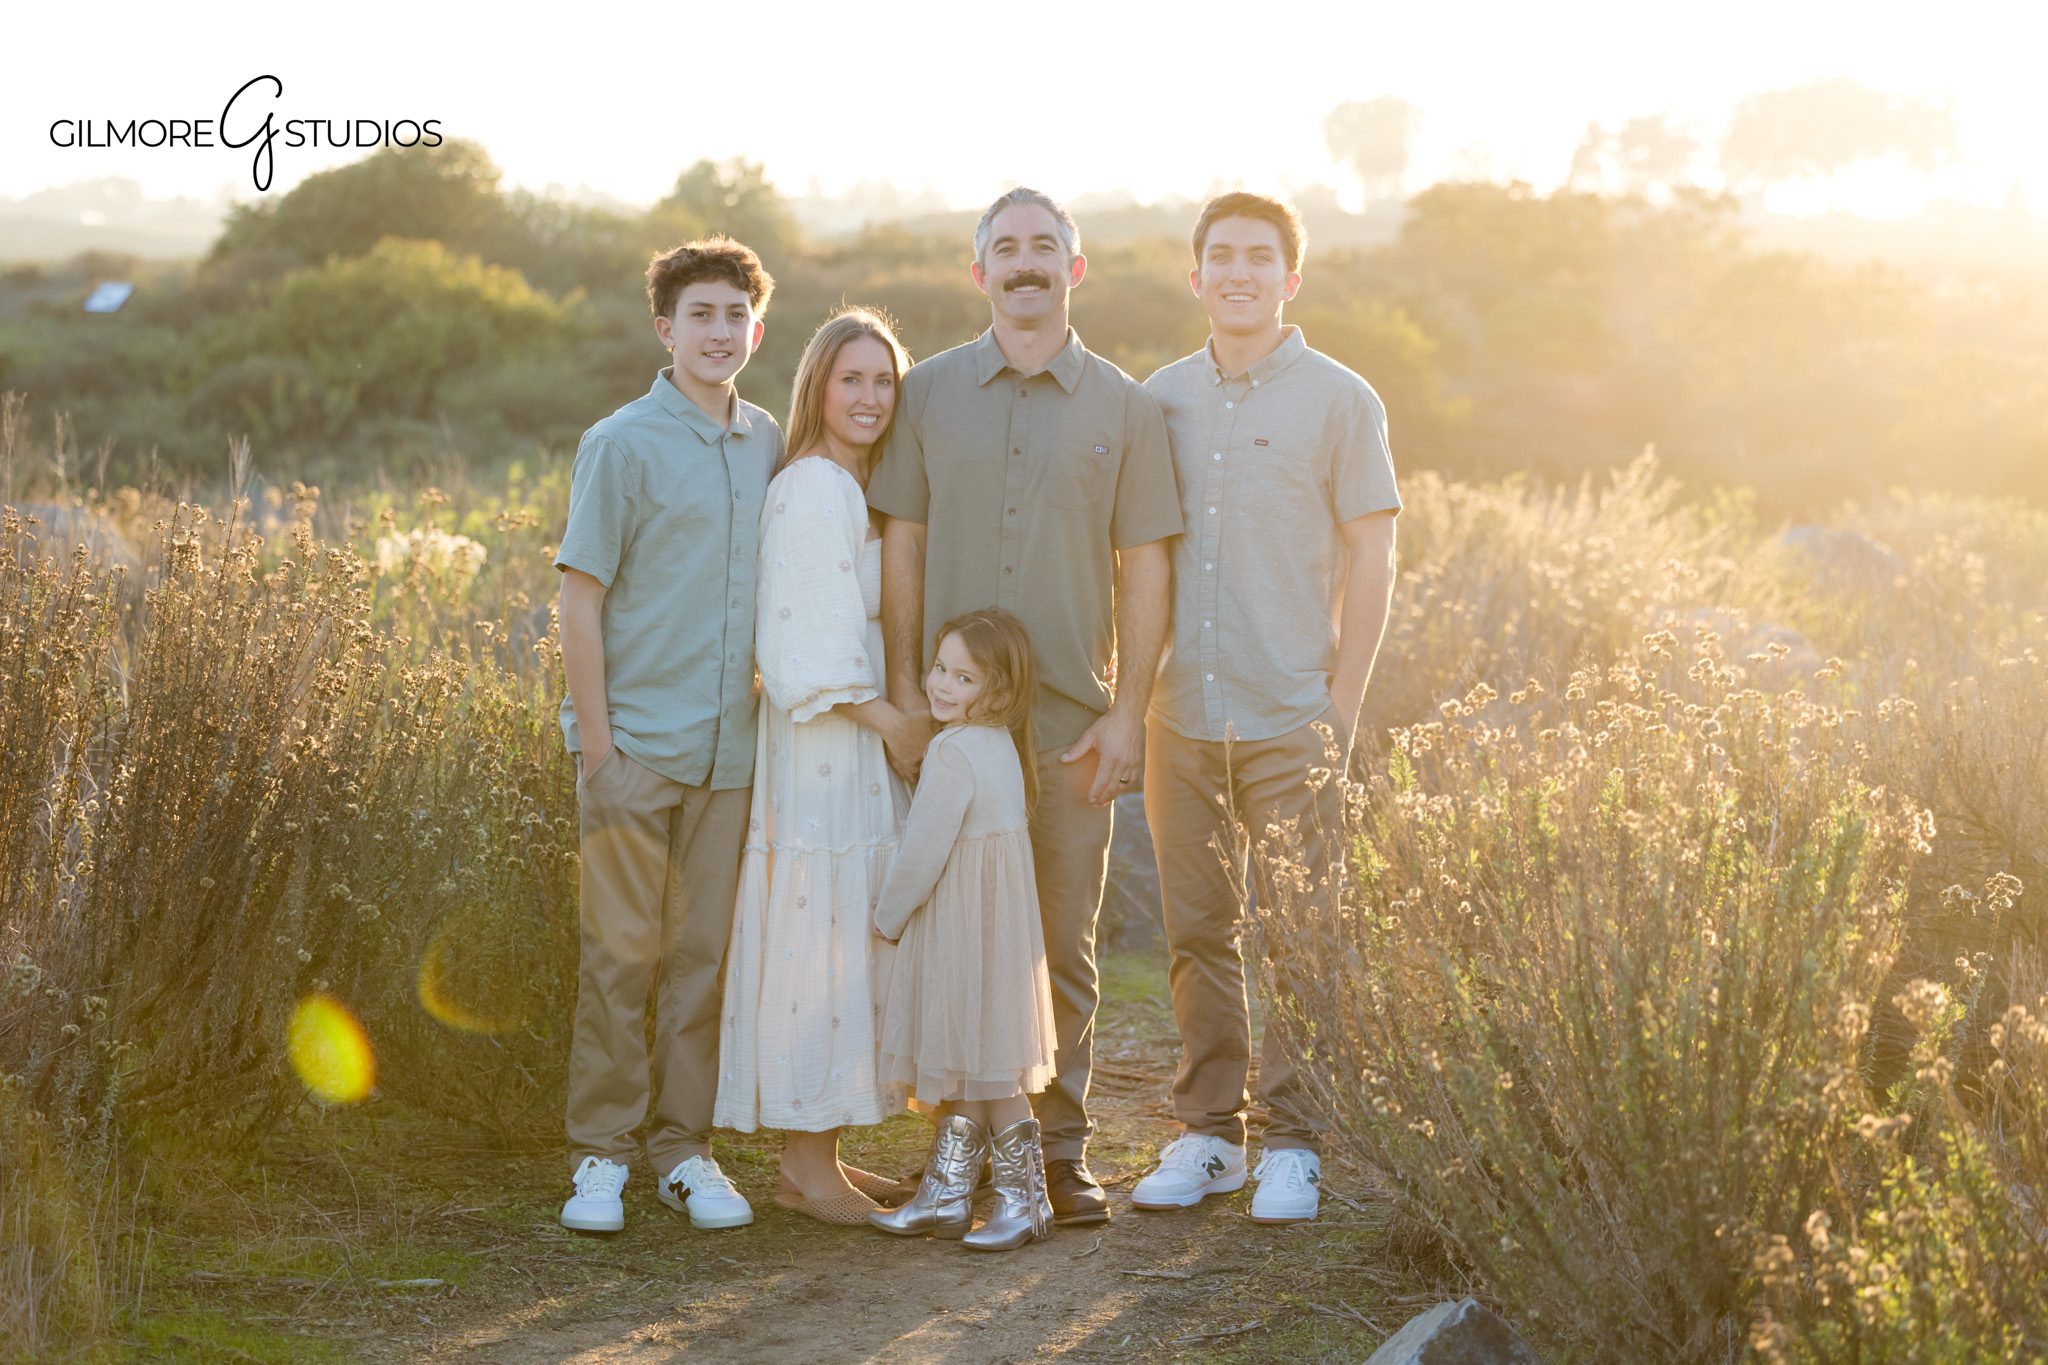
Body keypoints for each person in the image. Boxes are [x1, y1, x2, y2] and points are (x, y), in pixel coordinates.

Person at [869, 187, 1183, 1226]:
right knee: (953, 934)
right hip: (954, 723)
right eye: (1004, 248)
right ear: (979, 274)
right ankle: (954, 1152)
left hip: (1061, 726)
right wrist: (908, 692)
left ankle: (1055, 1152)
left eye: (1044, 247)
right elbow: (902, 544)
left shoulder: (1126, 409)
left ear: (1073, 269)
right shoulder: (926, 396)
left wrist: (1125, 710)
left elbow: (1144, 569)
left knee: (1058, 939)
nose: (1024, 263)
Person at [1132, 192, 1400, 1225]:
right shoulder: (1155, 400)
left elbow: (1373, 551)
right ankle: (1208, 1136)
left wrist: (1342, 704)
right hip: (1179, 716)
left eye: (1258, 257)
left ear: (1289, 278)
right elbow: (1139, 561)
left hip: (1292, 712)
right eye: (1219, 257)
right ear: (1194, 278)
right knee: (1198, 931)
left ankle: (1294, 1142)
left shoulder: (1340, 399)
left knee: (1298, 933)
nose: (1237, 273)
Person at [554, 237, 779, 1234]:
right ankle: (599, 1155)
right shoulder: (621, 443)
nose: (719, 333)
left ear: (755, 330)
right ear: (665, 329)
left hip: (732, 758)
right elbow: (579, 597)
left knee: (700, 962)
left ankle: (683, 1150)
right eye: (701, 315)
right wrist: (597, 751)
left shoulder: (769, 440)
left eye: (735, 316)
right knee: (618, 961)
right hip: (635, 746)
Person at [713, 308, 926, 1224]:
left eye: (884, 381)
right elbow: (804, 643)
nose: (870, 397)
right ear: (818, 388)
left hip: (855, 744)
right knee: (817, 935)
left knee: (842, 934)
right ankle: (806, 1164)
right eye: (853, 380)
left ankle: (821, 1156)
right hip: (826, 742)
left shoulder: (856, 484)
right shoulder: (811, 487)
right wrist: (893, 721)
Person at [866, 609, 1059, 1251]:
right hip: (996, 929)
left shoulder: (951, 751)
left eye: (963, 677)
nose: (942, 685)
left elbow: (923, 851)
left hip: (963, 927)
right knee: (976, 1070)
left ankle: (1024, 1202)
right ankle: (946, 1196)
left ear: (998, 692)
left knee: (996, 1078)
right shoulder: (1000, 742)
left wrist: (887, 920)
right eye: (940, 668)